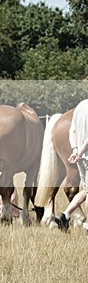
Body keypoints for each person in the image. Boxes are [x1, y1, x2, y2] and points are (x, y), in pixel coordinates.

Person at [54, 98, 88, 231]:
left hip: (81, 158)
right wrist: (80, 152)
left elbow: (72, 130)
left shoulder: (80, 106)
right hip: (85, 154)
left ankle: (65, 215)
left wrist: (74, 150)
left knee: (86, 190)